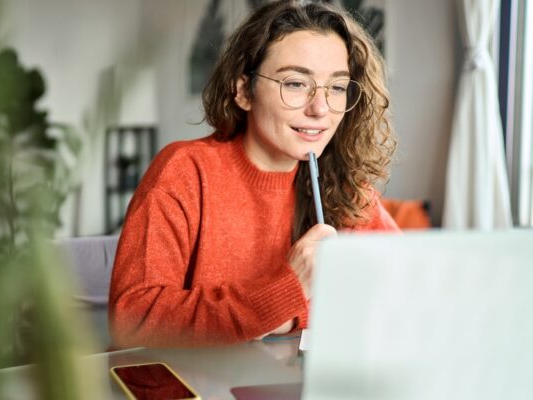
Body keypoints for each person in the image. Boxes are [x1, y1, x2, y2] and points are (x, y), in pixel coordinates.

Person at [108, 0, 399, 348]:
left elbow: (406, 289)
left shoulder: (344, 185)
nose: (320, 108)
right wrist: (286, 295)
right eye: (295, 83)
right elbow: (133, 321)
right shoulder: (185, 171)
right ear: (244, 90)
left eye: (336, 87)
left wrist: (291, 314)